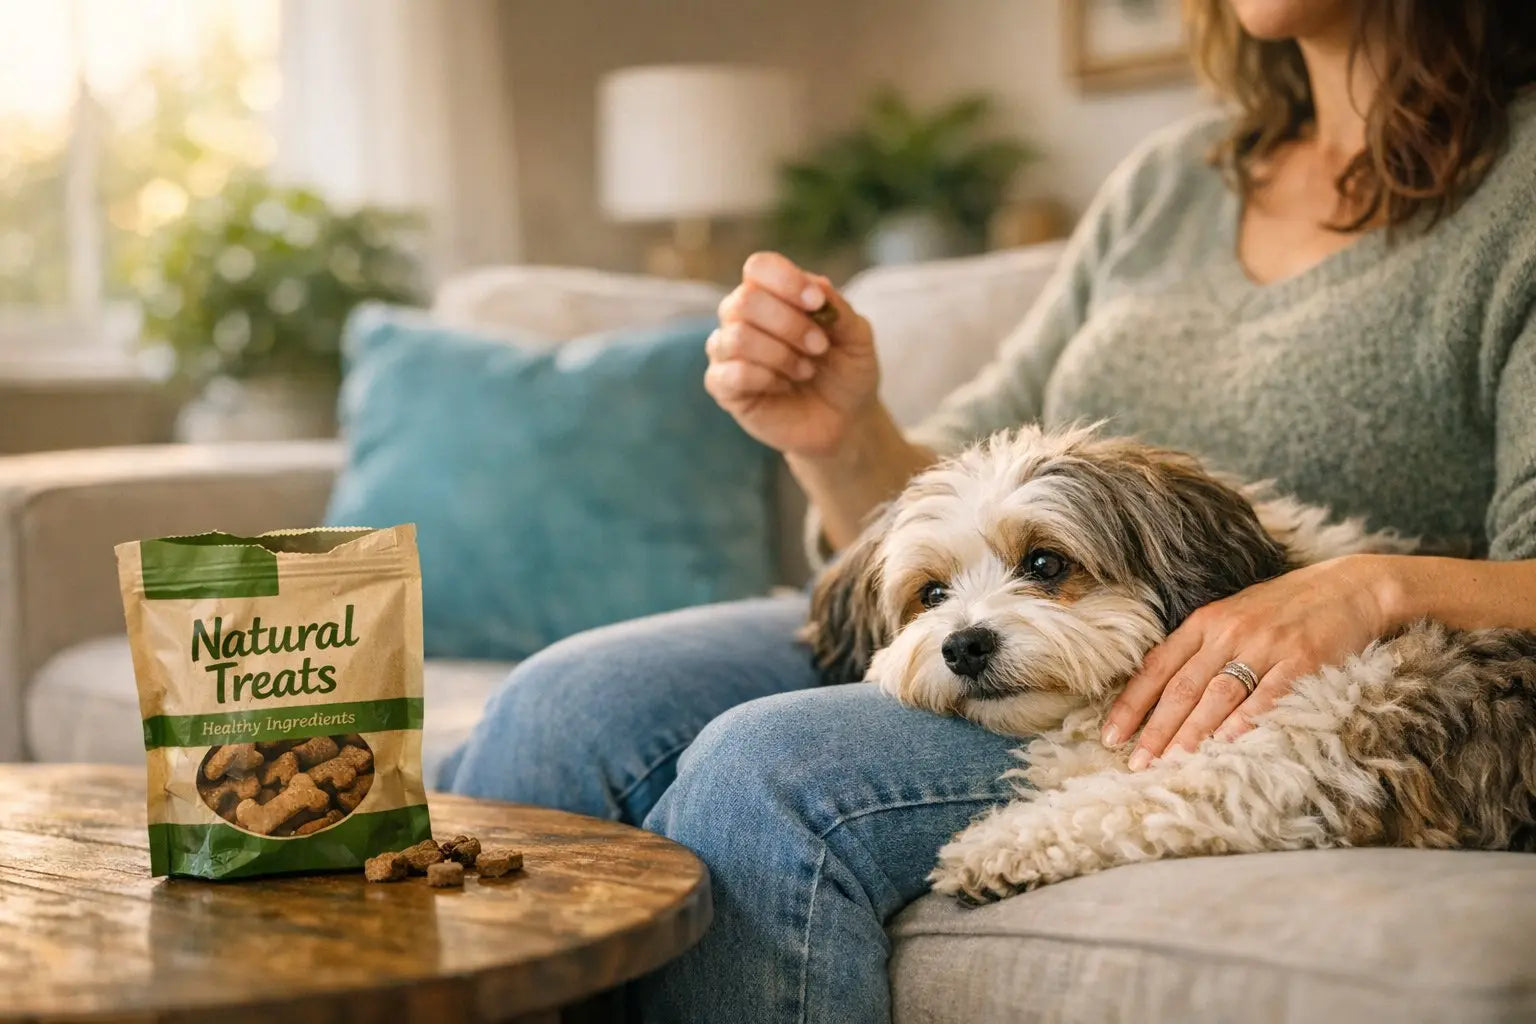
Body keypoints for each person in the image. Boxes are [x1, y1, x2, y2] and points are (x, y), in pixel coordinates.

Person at [447, 1, 1536, 1019]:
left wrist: (1367, 588)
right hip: (1031, 600)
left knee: (764, 775)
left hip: (1264, 675)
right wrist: (838, 432)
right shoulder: (1172, 184)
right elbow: (954, 491)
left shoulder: (1518, 182)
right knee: (566, 703)